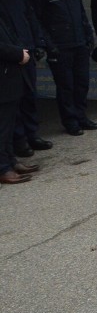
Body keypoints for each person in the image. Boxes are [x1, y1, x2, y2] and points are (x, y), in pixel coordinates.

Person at [27, 0, 97, 136]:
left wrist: (88, 36)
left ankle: (82, 117)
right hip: (60, 47)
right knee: (66, 86)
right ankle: (70, 121)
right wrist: (49, 45)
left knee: (82, 83)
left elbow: (81, 14)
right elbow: (36, 21)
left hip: (79, 44)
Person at [0, 0, 53, 157]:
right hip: (10, 56)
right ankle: (19, 141)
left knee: (30, 96)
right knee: (13, 101)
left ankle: (32, 134)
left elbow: (30, 16)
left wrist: (38, 42)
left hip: (26, 50)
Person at [0, 12, 36, 184]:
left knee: (8, 125)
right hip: (3, 78)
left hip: (9, 77)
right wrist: (18, 54)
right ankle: (3, 168)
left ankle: (10, 161)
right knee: (2, 127)